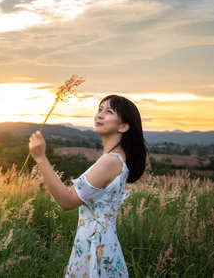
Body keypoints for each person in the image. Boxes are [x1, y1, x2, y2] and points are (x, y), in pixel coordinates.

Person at [29, 94, 148, 277]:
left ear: (124, 126)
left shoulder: (110, 161)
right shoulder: (116, 158)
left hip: (97, 248)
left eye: (108, 112)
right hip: (99, 243)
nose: (99, 115)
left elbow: (67, 201)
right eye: (99, 110)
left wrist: (41, 158)